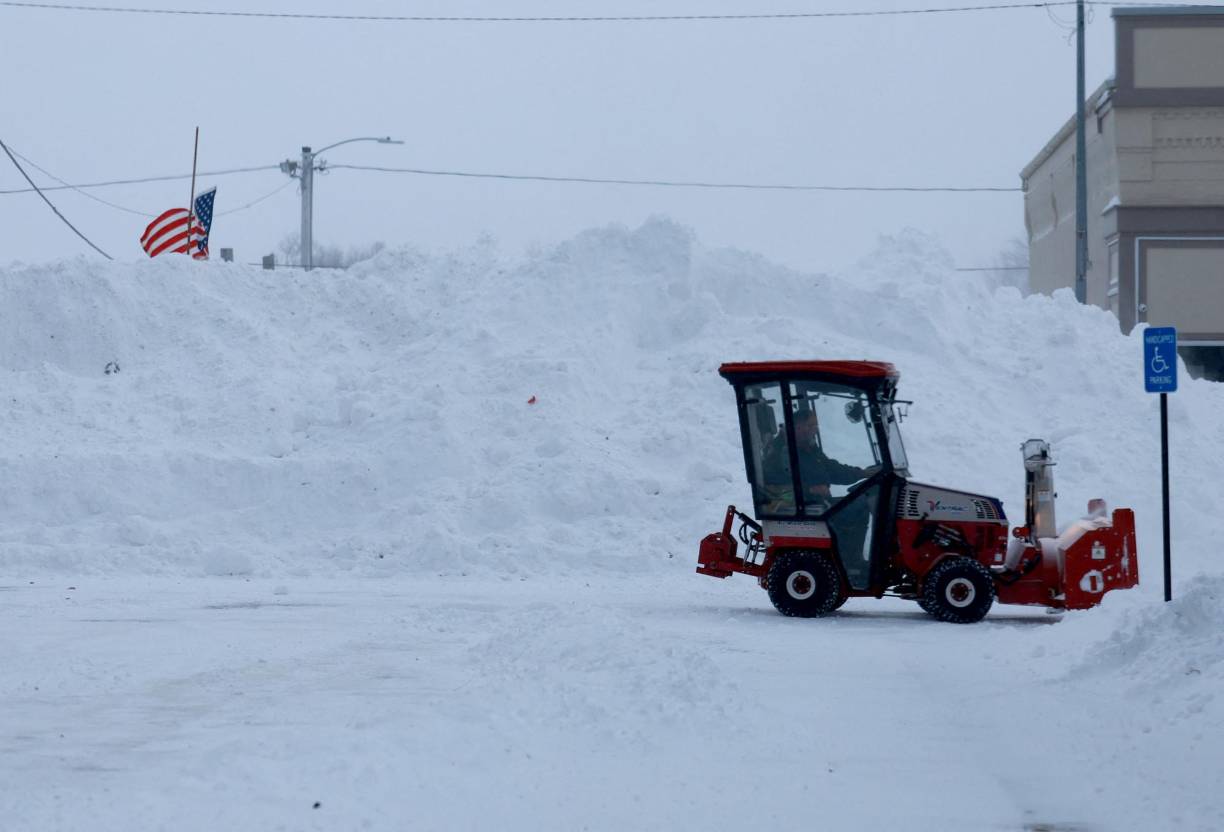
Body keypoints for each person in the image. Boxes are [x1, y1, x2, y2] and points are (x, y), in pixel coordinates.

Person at [762, 407, 878, 513]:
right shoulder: (778, 453)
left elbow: (830, 468)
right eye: (811, 425)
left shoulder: (807, 446)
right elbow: (772, 492)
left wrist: (862, 473)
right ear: (798, 427)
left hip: (820, 505)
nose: (815, 429)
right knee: (863, 507)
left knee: (867, 498)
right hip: (804, 512)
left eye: (816, 425)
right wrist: (810, 490)